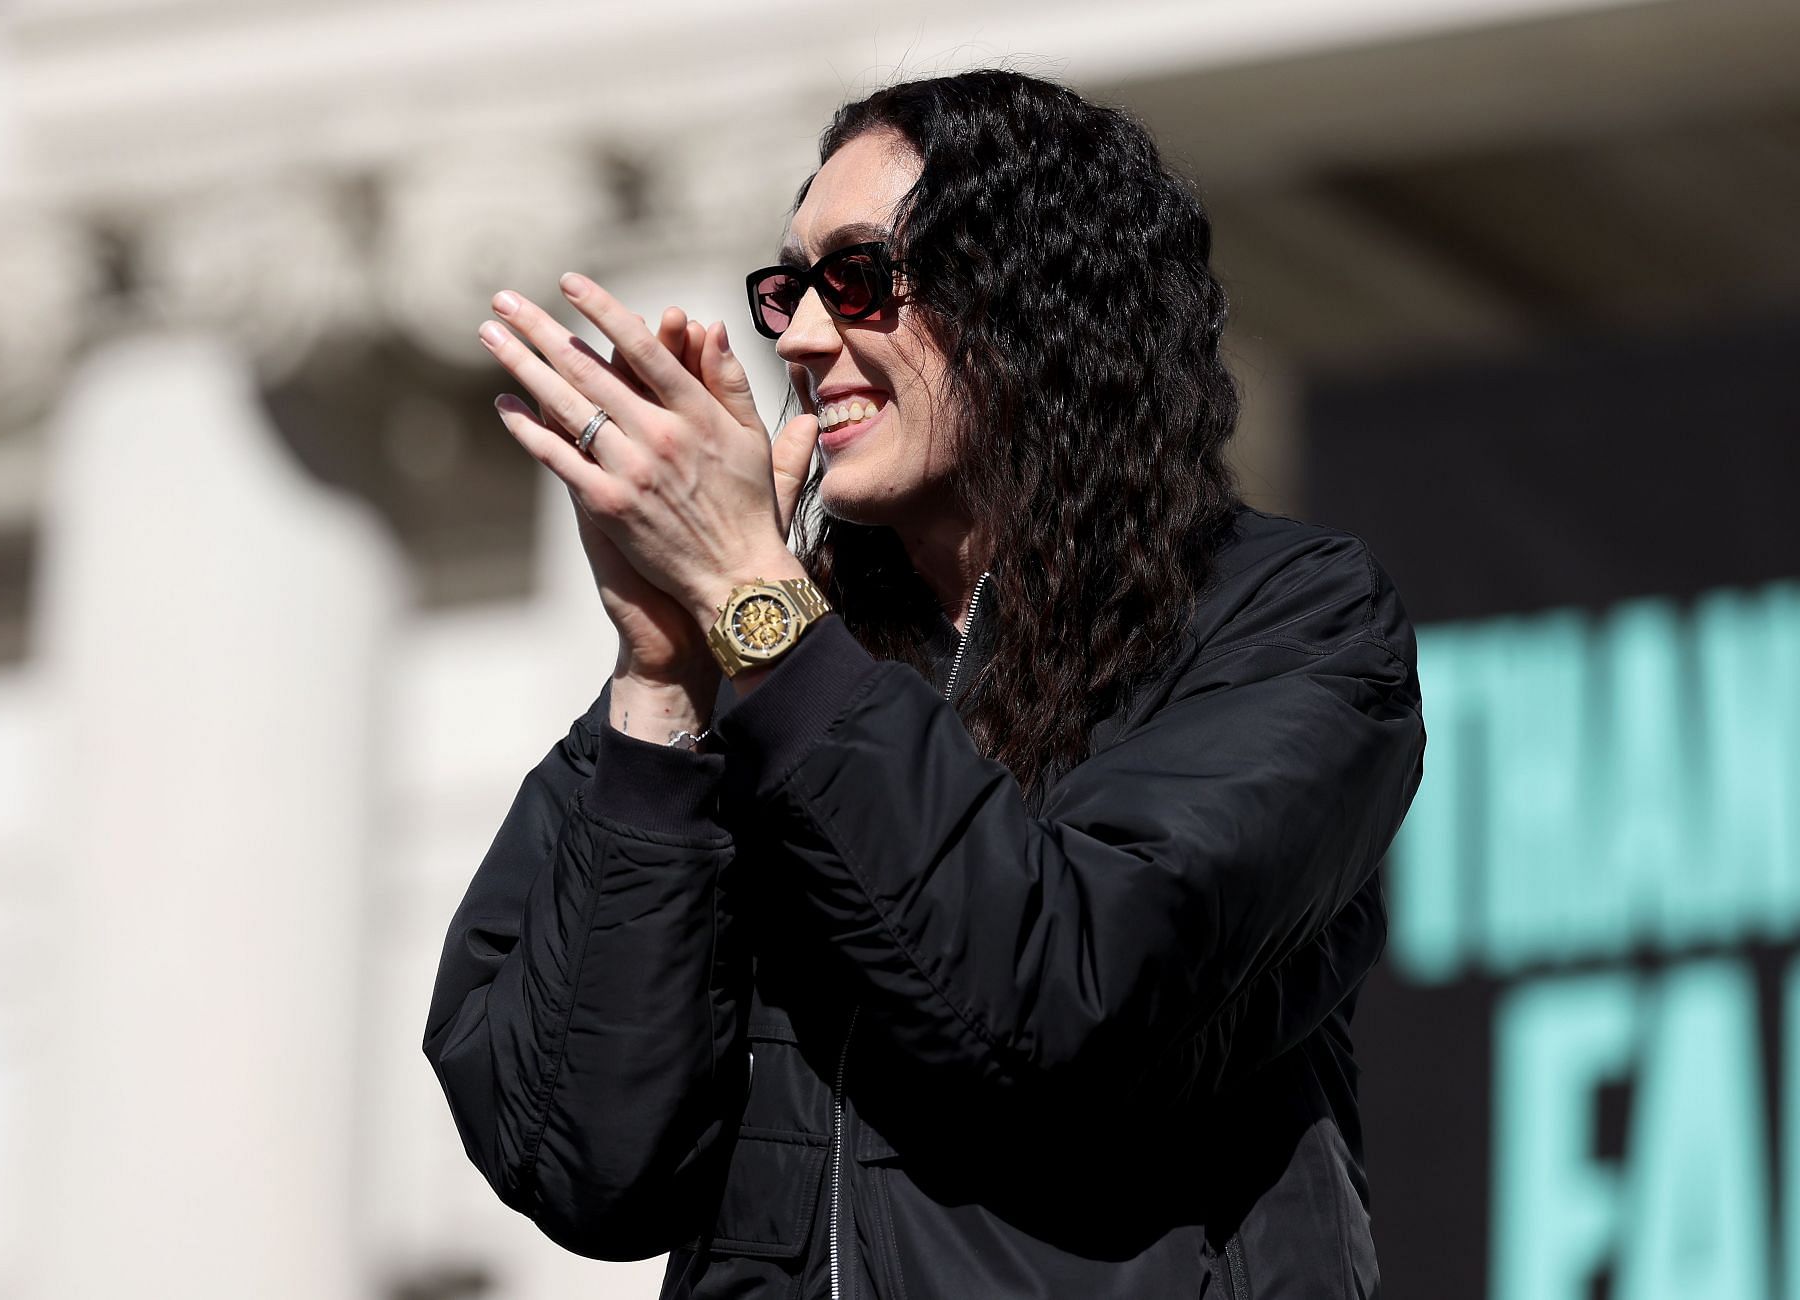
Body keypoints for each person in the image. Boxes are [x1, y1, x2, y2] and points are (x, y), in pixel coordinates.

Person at [424, 67, 1427, 1300]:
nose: (793, 335)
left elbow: (1061, 988)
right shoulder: (770, 656)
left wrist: (754, 595)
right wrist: (662, 670)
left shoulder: (1287, 618)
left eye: (855, 278)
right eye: (785, 290)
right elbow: (580, 1155)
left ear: (1034, 300)